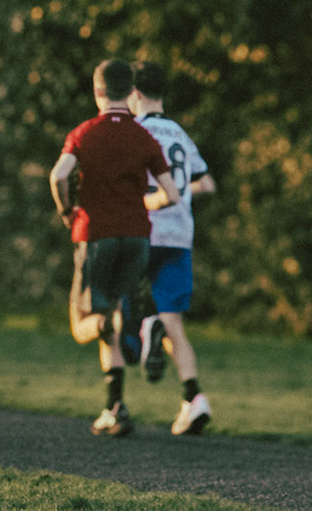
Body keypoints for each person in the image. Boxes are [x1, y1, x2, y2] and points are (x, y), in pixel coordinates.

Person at [50, 60, 181, 438]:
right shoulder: (144, 139)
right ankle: (115, 406)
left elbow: (59, 174)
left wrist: (66, 210)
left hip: (95, 235)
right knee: (114, 319)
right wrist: (142, 203)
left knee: (84, 325)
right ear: (131, 92)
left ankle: (124, 327)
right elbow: (170, 195)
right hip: (137, 238)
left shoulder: (85, 133)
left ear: (97, 92)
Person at [127, 61, 215, 436]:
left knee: (121, 306)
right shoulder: (179, 133)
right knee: (175, 320)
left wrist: (150, 198)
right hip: (180, 233)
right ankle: (194, 399)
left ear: (136, 93)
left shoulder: (136, 131)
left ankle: (145, 331)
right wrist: (180, 195)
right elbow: (207, 184)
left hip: (145, 229)